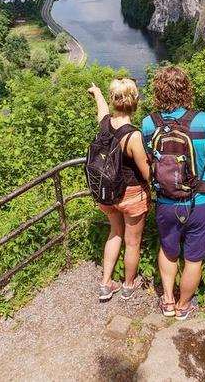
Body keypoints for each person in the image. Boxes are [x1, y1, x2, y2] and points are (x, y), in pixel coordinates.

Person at [142, 66, 205, 320]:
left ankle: (168, 301)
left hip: (166, 201)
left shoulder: (149, 123)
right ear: (186, 89)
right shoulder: (203, 120)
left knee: (168, 250)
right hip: (199, 201)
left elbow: (150, 161)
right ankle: (184, 305)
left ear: (158, 91)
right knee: (193, 258)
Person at [88, 77, 151, 301]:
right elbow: (147, 173)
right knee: (132, 242)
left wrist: (96, 92)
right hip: (131, 193)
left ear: (115, 100)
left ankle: (106, 285)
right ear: (135, 101)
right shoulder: (133, 136)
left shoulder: (105, 124)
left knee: (115, 233)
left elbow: (102, 110)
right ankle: (128, 285)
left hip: (106, 192)